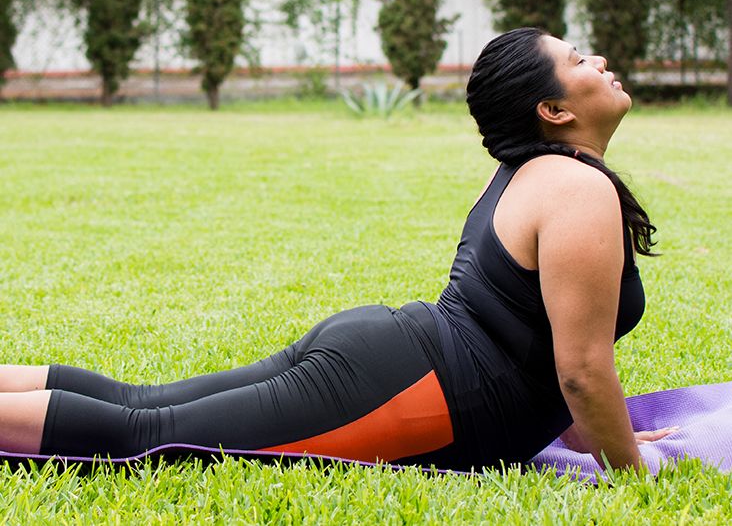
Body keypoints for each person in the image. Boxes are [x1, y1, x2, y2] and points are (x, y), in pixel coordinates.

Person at [0, 28, 676, 471]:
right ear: (552, 111)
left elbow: (541, 354)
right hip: (412, 389)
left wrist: (601, 435)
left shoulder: (531, 173)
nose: (602, 61)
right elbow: (580, 370)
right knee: (147, 438)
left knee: (144, 405)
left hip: (395, 358)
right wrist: (633, 478)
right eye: (578, 60)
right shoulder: (579, 189)